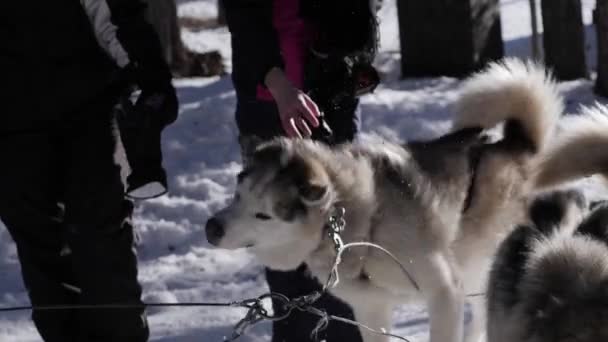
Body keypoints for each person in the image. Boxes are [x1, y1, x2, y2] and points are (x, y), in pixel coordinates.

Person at [0, 1, 177, 341]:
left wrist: (148, 76)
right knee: (42, 254)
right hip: (9, 120)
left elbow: (111, 12)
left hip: (91, 105)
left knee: (101, 237)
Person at [223, 0, 380, 340]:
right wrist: (280, 86)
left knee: (340, 237)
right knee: (280, 238)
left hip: (332, 95)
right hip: (267, 103)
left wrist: (357, 49)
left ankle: (346, 333)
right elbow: (245, 19)